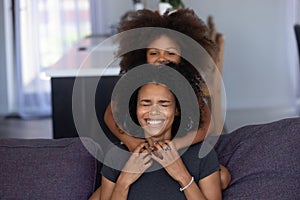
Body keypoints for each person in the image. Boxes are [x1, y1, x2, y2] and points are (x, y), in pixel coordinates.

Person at [102, 8, 231, 190]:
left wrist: (177, 144)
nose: (162, 58)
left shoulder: (186, 86)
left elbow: (206, 125)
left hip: (176, 148)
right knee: (111, 184)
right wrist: (132, 142)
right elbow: (109, 114)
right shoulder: (133, 84)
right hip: (141, 148)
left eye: (170, 53)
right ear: (142, 56)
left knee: (223, 177)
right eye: (154, 53)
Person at [100, 63, 222, 200]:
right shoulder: (116, 157)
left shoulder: (202, 155)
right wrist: (124, 181)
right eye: (146, 103)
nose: (154, 111)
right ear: (135, 108)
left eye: (164, 104)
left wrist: (182, 175)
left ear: (177, 109)